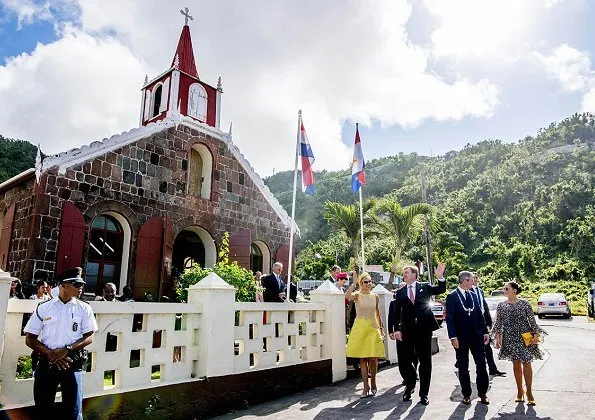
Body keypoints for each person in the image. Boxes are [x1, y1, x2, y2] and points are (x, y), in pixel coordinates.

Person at [23, 267, 98, 419]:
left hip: (72, 362)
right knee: (43, 408)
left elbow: (89, 336)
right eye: (77, 284)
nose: (81, 288)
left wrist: (67, 349)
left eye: (82, 284)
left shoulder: (84, 308)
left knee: (74, 410)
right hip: (47, 362)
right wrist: (52, 354)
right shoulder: (44, 308)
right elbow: (30, 338)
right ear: (64, 285)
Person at [388, 263, 446, 406]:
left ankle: (424, 394)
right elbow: (396, 313)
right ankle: (410, 385)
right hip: (407, 332)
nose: (404, 275)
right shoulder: (400, 292)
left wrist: (440, 277)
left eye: (406, 272)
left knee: (425, 362)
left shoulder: (425, 287)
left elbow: (440, 289)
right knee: (406, 361)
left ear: (414, 275)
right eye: (404, 273)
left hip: (424, 331)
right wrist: (396, 330)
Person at [493, 281, 546, 406]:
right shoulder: (501, 305)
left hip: (524, 338)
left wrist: (536, 335)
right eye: (504, 289)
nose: (504, 291)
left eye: (506, 289)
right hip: (510, 338)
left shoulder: (525, 304)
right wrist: (498, 337)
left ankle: (529, 392)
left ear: (514, 290)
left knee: (527, 363)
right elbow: (498, 323)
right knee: (516, 364)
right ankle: (519, 392)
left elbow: (532, 321)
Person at [446, 271, 490, 405]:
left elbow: (479, 314)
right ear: (465, 281)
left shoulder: (473, 294)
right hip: (460, 338)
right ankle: (466, 394)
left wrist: (485, 331)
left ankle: (483, 393)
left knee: (481, 365)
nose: (474, 282)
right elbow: (450, 318)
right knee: (463, 367)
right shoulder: (452, 296)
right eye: (471, 280)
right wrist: (453, 337)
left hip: (476, 336)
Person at [345, 272, 386, 398]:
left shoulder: (375, 296)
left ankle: (373, 381)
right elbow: (347, 296)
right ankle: (365, 387)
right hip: (360, 328)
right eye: (365, 282)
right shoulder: (357, 295)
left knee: (373, 358)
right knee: (362, 359)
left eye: (369, 281)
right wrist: (353, 282)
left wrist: (381, 328)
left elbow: (377, 314)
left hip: (373, 328)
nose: (368, 284)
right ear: (361, 284)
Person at [472, 272, 506, 376]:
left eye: (476, 278)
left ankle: (492, 368)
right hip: (472, 324)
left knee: (487, 346)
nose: (475, 280)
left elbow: (484, 306)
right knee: (471, 345)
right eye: (473, 278)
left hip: (481, 323)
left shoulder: (480, 291)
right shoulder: (467, 292)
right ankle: (459, 362)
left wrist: (488, 322)